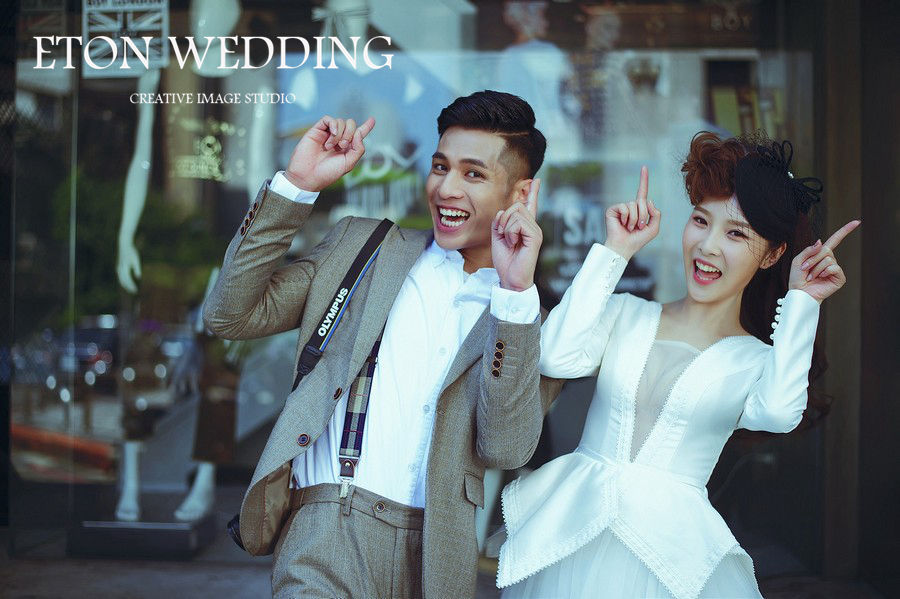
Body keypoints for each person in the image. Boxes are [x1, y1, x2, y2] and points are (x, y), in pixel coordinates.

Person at [203, 90, 563, 598]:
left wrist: (514, 294)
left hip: (435, 558)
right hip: (327, 529)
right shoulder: (363, 248)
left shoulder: (527, 322)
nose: (446, 188)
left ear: (520, 194)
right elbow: (229, 314)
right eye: (440, 167)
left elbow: (504, 448)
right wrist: (296, 187)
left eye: (473, 174)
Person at [496, 132, 859, 598]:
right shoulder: (627, 314)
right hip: (574, 541)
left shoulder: (756, 361)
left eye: (735, 233)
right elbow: (555, 354)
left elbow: (778, 413)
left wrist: (803, 301)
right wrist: (616, 250)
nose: (708, 245)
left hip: (667, 562)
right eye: (701, 220)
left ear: (772, 255)